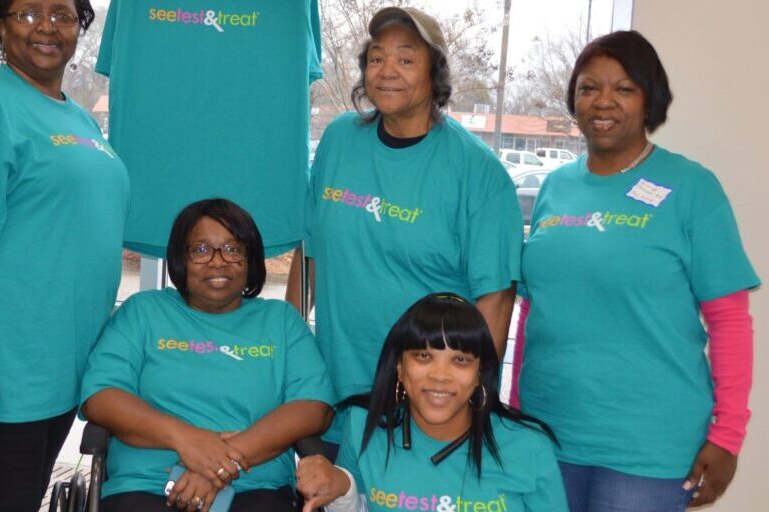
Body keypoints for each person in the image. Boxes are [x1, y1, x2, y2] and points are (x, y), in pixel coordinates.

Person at [514, 30, 759, 511]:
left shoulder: (692, 188)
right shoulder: (555, 188)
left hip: (649, 449)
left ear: (650, 99)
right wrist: (517, 412)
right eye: (588, 88)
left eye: (623, 88)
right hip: (547, 433)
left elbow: (730, 320)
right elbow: (532, 310)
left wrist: (727, 436)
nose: (603, 101)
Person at [0, 0, 129, 509]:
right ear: (0, 23)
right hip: (9, 370)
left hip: (63, 365)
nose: (46, 27)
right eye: (28, 13)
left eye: (62, 14)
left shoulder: (78, 117)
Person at [286, 6, 522, 454]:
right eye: (376, 58)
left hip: (426, 411)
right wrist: (292, 355)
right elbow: (309, 254)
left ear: (435, 73)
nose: (387, 70)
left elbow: (495, 298)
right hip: (330, 403)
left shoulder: (478, 172)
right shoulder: (338, 141)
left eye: (406, 58)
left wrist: (471, 406)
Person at [81, 199, 335, 512]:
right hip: (145, 486)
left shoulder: (281, 321)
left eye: (233, 249)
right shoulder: (143, 312)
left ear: (250, 258)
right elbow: (102, 397)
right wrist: (187, 440)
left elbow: (314, 407)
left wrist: (216, 465)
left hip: (254, 488)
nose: (218, 261)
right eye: (201, 250)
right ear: (179, 258)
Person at [296, 293, 567, 512]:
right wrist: (342, 487)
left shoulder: (530, 447)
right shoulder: (365, 426)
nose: (440, 376)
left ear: (479, 374)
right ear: (400, 368)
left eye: (460, 360)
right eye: (423, 356)